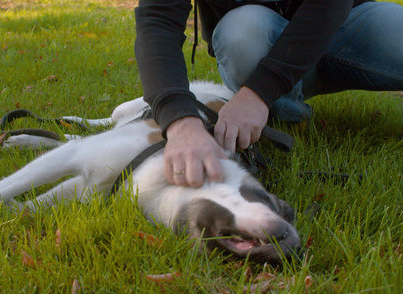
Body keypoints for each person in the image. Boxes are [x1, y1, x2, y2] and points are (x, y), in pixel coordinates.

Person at [134, 0, 403, 188]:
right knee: (243, 31)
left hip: (343, 23)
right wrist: (180, 120)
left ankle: (269, 99)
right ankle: (286, 117)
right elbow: (158, 19)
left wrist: (259, 92)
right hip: (256, 40)